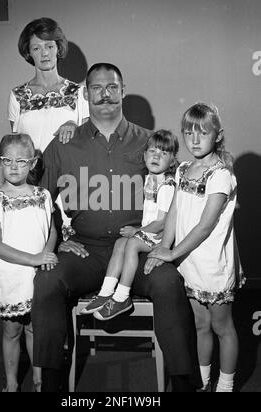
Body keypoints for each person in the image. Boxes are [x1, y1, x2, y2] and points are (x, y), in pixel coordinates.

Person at [32, 63, 201, 392]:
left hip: (135, 251)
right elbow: (38, 198)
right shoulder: (64, 143)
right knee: (48, 278)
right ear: (86, 93)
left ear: (123, 91)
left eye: (112, 87)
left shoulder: (149, 143)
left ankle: (184, 382)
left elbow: (179, 193)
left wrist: (160, 243)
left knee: (168, 281)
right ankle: (51, 382)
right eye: (97, 87)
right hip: (85, 251)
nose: (105, 94)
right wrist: (55, 242)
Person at [145, 103, 245, 392]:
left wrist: (172, 253)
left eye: (203, 132)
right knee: (200, 326)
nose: (195, 139)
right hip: (188, 262)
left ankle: (225, 385)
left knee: (222, 328)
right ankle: (202, 382)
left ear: (217, 135)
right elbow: (175, 211)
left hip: (213, 264)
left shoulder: (220, 174)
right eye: (188, 132)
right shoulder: (184, 169)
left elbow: (205, 225)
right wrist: (164, 247)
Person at [0, 133, 58, 392]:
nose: (14, 167)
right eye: (7, 160)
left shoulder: (43, 195)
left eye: (21, 161)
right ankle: (12, 383)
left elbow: (52, 231)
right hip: (11, 274)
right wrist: (34, 258)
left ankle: (38, 382)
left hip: (38, 275)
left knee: (36, 330)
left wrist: (47, 253)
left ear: (33, 163)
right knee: (12, 330)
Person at [80, 129, 179, 320]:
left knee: (132, 242)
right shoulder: (150, 179)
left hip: (161, 238)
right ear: (144, 155)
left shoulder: (167, 185)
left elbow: (161, 223)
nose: (156, 156)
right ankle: (105, 293)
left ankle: (122, 297)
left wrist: (137, 231)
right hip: (149, 234)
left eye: (164, 153)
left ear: (173, 161)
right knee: (119, 243)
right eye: (152, 151)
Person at [8, 17, 89, 182]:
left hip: (68, 180)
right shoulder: (17, 95)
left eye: (49, 46)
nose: (44, 53)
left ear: (58, 48)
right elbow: (15, 147)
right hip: (30, 181)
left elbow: (89, 141)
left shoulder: (79, 92)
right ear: (29, 52)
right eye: (36, 48)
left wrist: (74, 126)